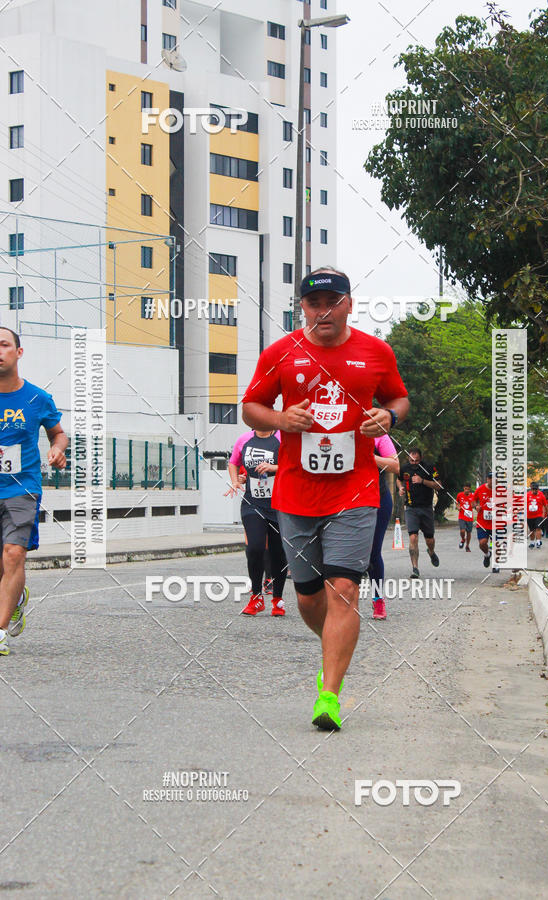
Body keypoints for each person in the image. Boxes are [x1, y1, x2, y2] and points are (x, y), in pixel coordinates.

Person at [242, 267, 409, 731]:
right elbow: (250, 407)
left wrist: (388, 417)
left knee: (345, 591)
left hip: (356, 492)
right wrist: (280, 419)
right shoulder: (280, 353)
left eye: (333, 302)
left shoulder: (375, 352)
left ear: (349, 304)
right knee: (308, 599)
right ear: (303, 308)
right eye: (314, 304)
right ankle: (335, 648)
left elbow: (399, 398)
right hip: (296, 493)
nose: (324, 311)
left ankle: (330, 695)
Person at [0, 328, 68, 656]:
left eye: (4, 345)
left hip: (22, 488)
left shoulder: (37, 398)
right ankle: (15, 599)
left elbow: (59, 433)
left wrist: (58, 449)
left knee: (14, 554)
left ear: (19, 352)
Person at [227, 429, 287, 616]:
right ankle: (256, 597)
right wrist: (235, 481)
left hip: (279, 504)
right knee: (255, 548)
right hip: (252, 503)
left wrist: (274, 468)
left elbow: (295, 464)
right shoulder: (244, 439)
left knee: (278, 553)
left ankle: (277, 599)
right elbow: (233, 462)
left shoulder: (283, 437)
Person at [367, 434, 399, 620]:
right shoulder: (339, 429)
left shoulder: (378, 434)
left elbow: (395, 465)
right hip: (347, 500)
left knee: (373, 552)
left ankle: (378, 599)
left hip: (378, 499)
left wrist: (368, 456)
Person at [397, 449, 441, 579]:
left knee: (429, 539)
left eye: (416, 461)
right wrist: (400, 488)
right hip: (411, 508)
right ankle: (415, 568)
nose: (414, 463)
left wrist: (423, 481)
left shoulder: (429, 468)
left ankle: (431, 552)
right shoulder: (404, 468)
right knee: (413, 537)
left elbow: (439, 485)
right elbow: (399, 480)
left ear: (421, 458)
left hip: (426, 508)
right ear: (408, 459)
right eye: (411, 460)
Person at [473, 472, 500, 572]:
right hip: (482, 522)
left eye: (494, 479)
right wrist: (476, 506)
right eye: (490, 478)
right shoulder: (480, 489)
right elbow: (473, 501)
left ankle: (496, 564)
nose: (492, 481)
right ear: (487, 479)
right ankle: (487, 554)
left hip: (497, 523)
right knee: (482, 543)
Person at [526, 481, 546, 548]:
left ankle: (538, 542)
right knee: (532, 529)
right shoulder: (527, 495)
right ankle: (532, 542)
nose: (534, 491)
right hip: (529, 516)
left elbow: (545, 505)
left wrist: (546, 514)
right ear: (531, 489)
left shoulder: (541, 495)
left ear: (538, 489)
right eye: (533, 489)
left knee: (538, 528)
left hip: (538, 515)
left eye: (536, 489)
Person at [456, 482, 475, 551]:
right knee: (462, 530)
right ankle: (463, 539)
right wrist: (458, 507)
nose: (466, 490)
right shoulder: (459, 495)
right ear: (463, 488)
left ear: (470, 489)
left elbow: (474, 505)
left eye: (468, 489)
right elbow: (457, 503)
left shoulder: (472, 496)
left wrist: (473, 504)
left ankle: (467, 546)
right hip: (462, 516)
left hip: (469, 516)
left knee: (469, 532)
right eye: (465, 489)